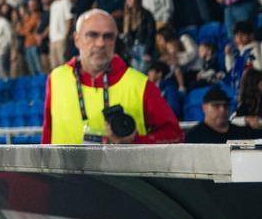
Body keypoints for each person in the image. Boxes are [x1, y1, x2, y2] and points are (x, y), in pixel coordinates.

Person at [42, 9, 184, 144]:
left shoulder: (139, 84)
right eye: (92, 35)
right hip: (62, 170)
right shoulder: (56, 79)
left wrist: (135, 141)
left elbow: (175, 135)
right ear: (76, 39)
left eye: (108, 36)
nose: (100, 43)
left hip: (121, 170)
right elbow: (47, 137)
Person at [184, 85, 262, 143]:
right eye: (216, 105)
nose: (222, 109)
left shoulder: (241, 133)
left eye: (226, 105)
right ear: (204, 108)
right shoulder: (194, 137)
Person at [48, 0, 74, 69]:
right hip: (53, 39)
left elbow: (69, 19)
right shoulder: (53, 5)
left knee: (63, 64)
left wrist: (65, 36)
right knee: (54, 66)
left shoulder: (66, 2)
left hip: (61, 37)